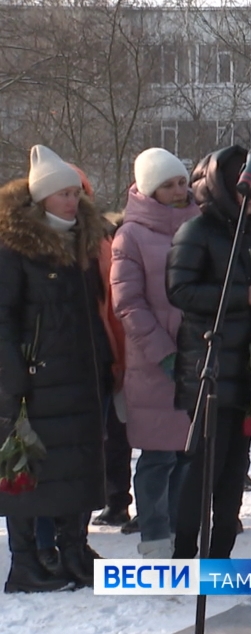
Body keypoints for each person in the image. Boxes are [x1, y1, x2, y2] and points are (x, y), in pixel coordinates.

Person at [0, 145, 113, 592]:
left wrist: (106, 366)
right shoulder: (15, 249)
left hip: (82, 377)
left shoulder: (81, 243)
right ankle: (24, 564)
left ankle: (73, 552)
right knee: (27, 472)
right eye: (63, 193)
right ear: (41, 198)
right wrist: (12, 378)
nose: (73, 200)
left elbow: (95, 312)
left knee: (81, 467)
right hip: (33, 381)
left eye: (75, 192)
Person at [167, 145, 251, 559]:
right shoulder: (195, 232)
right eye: (242, 188)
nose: (250, 196)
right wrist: (243, 295)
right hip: (209, 367)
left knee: (235, 473)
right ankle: (184, 555)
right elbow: (180, 291)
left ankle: (220, 556)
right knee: (202, 470)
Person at [111, 147, 200, 558]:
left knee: (187, 455)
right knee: (157, 457)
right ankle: (155, 537)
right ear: (150, 189)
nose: (179, 190)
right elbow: (128, 303)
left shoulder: (200, 225)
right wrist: (163, 351)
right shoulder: (130, 235)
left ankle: (183, 535)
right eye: (168, 184)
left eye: (182, 181)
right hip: (155, 365)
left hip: (197, 358)